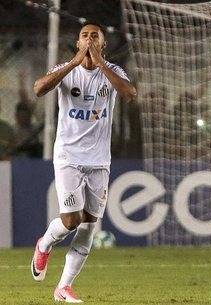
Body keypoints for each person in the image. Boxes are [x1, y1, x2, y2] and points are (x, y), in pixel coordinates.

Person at [30, 22, 136, 303]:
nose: (89, 40)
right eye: (84, 36)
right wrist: (75, 62)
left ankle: (63, 287)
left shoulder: (114, 73)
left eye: (95, 37)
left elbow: (129, 94)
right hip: (69, 156)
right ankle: (44, 243)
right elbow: (39, 88)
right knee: (71, 220)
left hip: (100, 160)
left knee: (89, 224)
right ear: (78, 43)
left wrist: (100, 64)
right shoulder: (67, 70)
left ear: (103, 44)